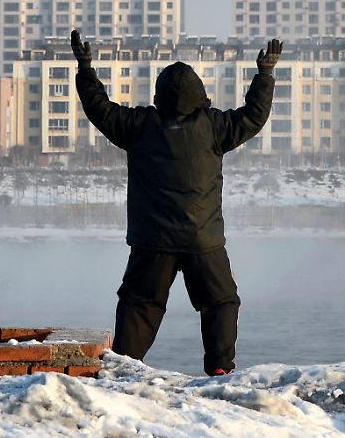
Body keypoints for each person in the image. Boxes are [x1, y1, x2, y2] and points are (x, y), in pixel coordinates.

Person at [71, 28, 282, 375]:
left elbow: (99, 108)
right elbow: (253, 116)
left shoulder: (140, 126)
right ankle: (219, 368)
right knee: (221, 302)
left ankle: (124, 369)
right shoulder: (214, 127)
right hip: (203, 239)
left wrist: (85, 68)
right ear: (200, 94)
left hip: (152, 240)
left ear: (159, 95)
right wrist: (265, 75)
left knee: (140, 304)